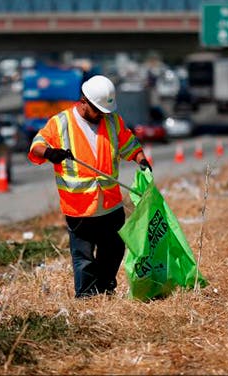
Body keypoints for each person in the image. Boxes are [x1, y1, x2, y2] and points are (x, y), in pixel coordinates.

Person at [28, 75, 152, 298]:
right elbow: (36, 146)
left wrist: (141, 159)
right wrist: (50, 153)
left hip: (110, 203)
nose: (102, 115)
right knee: (83, 256)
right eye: (98, 111)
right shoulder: (61, 123)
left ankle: (105, 291)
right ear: (83, 102)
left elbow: (130, 144)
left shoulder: (112, 121)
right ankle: (86, 298)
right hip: (79, 206)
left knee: (114, 249)